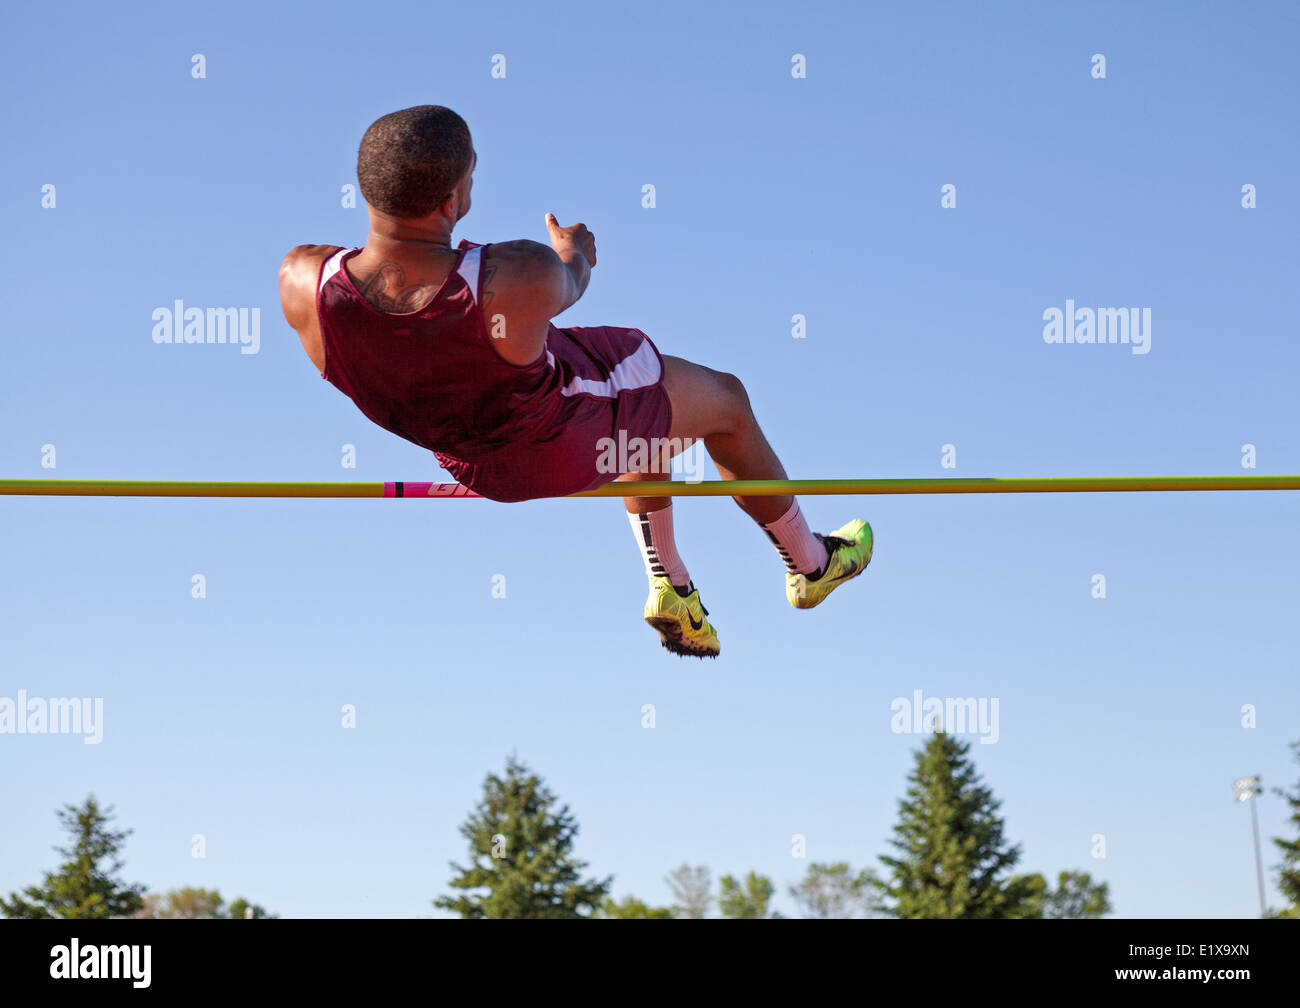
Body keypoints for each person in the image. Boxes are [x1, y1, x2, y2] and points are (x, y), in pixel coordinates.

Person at [278, 106, 872, 658]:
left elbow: (406, 329)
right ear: (452, 198)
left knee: (644, 406)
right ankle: (813, 565)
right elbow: (571, 276)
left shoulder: (303, 284)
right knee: (725, 402)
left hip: (473, 460)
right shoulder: (513, 276)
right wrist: (574, 249)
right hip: (556, 440)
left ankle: (674, 589)